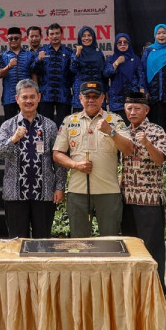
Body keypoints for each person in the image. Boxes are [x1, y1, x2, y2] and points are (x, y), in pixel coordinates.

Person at [53, 81, 134, 238]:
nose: (91, 100)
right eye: (87, 96)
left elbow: (129, 149)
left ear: (103, 98)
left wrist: (110, 132)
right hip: (78, 192)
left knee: (110, 241)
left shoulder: (115, 120)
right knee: (80, 241)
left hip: (108, 191)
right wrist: (75, 164)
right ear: (80, 98)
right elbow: (57, 153)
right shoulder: (70, 121)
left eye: (95, 96)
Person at [0, 80, 65, 239]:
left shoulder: (50, 126)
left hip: (44, 192)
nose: (29, 101)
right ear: (17, 98)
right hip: (15, 194)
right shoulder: (8, 125)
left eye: (32, 97)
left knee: (43, 240)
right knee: (17, 241)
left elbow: (58, 159)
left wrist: (60, 187)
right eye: (24, 97)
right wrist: (14, 139)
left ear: (39, 97)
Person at [119, 93, 166, 291]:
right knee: (130, 247)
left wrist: (148, 143)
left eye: (137, 108)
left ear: (146, 110)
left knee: (152, 247)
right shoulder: (122, 131)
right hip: (126, 198)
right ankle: (134, 287)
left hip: (150, 200)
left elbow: (160, 160)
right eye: (129, 108)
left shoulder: (156, 130)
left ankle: (157, 288)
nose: (132, 112)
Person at [34, 23, 74, 125]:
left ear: (62, 35)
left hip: (63, 94)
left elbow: (73, 72)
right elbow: (33, 69)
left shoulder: (68, 52)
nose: (54, 36)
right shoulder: (42, 51)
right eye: (52, 34)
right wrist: (38, 60)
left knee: (64, 125)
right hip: (46, 94)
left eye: (57, 33)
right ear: (47, 36)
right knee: (45, 126)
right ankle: (47, 142)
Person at [0, 26, 36, 121]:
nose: (13, 40)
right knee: (10, 124)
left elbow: (34, 74)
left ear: (21, 39)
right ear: (7, 40)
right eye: (10, 38)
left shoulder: (29, 55)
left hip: (27, 97)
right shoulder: (3, 56)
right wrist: (9, 66)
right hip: (9, 97)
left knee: (29, 122)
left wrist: (36, 91)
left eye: (16, 38)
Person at [105, 33, 144, 118]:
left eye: (125, 42)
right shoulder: (111, 59)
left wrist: (142, 93)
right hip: (116, 97)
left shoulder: (135, 59)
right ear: (116, 44)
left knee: (132, 120)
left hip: (132, 96)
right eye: (119, 42)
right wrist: (117, 62)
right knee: (117, 123)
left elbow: (141, 76)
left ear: (129, 44)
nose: (122, 44)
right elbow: (107, 74)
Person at [71, 26, 107, 107]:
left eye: (89, 35)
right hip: (81, 92)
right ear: (80, 38)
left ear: (93, 37)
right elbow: (72, 69)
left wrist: (106, 91)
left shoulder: (99, 52)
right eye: (83, 36)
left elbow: (103, 74)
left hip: (97, 90)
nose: (86, 38)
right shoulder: (75, 53)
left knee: (99, 118)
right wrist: (77, 54)